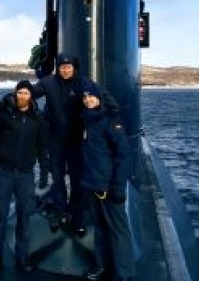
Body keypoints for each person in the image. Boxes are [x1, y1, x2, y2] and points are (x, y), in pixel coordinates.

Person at [33, 53, 119, 235]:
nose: (65, 70)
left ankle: (77, 216)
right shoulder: (48, 83)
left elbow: (103, 97)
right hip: (55, 141)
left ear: (74, 67)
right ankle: (61, 212)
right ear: (58, 67)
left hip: (76, 141)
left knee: (78, 180)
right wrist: (10, 102)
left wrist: (111, 115)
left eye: (69, 67)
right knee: (57, 180)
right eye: (62, 67)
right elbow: (29, 93)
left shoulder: (84, 83)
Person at [0, 80, 49, 274]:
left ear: (31, 96)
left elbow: (42, 147)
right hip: (4, 172)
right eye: (20, 93)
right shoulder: (4, 113)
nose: (22, 96)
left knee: (24, 216)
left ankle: (23, 258)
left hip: (25, 175)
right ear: (15, 93)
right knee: (0, 215)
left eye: (26, 93)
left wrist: (44, 172)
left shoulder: (38, 118)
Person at [80, 80, 135, 281]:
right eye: (85, 97)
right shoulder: (88, 120)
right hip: (93, 185)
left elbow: (124, 156)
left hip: (110, 187)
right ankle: (102, 266)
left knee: (118, 230)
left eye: (91, 96)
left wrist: (118, 187)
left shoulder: (111, 121)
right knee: (100, 228)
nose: (87, 100)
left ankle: (125, 274)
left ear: (100, 98)